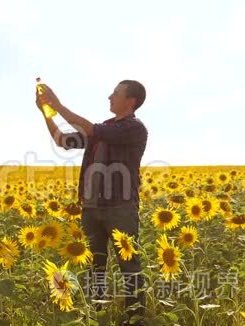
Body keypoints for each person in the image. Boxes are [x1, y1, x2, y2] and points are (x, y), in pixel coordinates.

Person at [36, 80, 148, 325]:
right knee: (94, 266)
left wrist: (58, 104)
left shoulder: (133, 128)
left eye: (116, 94)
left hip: (120, 207)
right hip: (91, 207)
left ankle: (135, 318)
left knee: (129, 265)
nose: (110, 96)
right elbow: (62, 141)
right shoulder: (101, 129)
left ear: (131, 101)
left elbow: (92, 129)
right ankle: (97, 314)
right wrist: (46, 114)